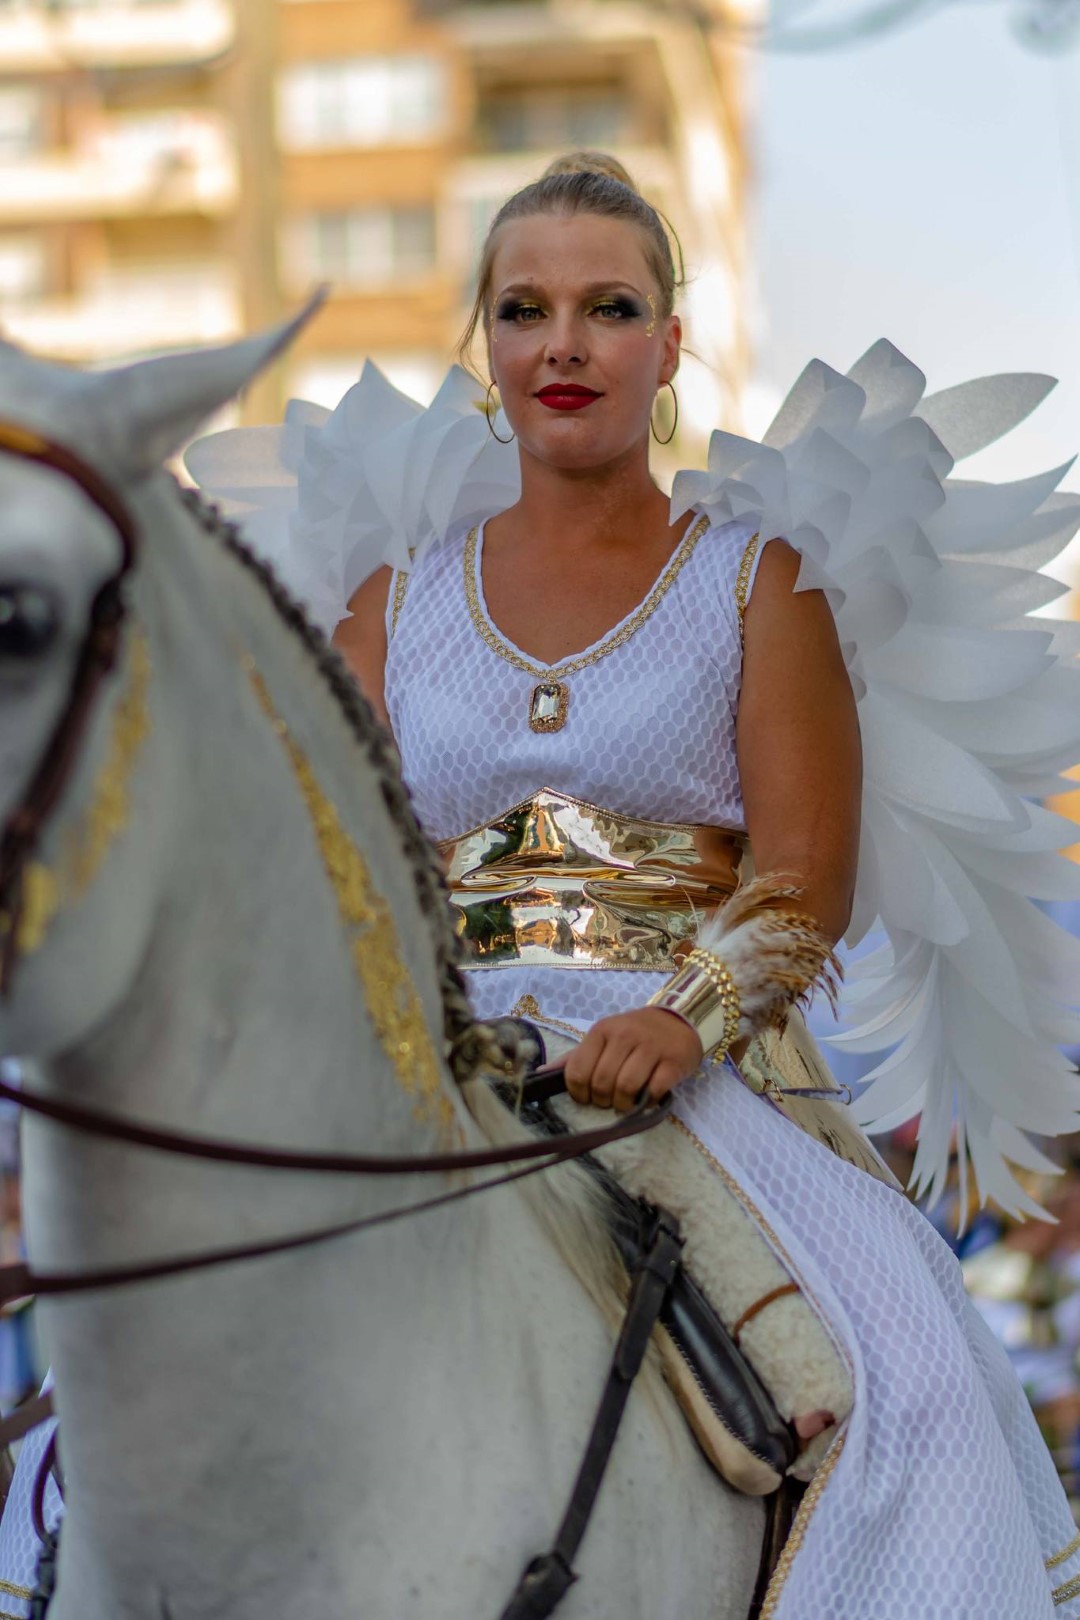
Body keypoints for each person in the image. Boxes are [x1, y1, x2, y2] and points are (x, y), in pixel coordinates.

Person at [318, 152, 1080, 1616]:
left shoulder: (756, 580)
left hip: (693, 1077)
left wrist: (682, 1021)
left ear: (669, 346)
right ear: (485, 345)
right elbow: (342, 881)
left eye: (608, 308)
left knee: (922, 1388)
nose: (564, 345)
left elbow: (803, 878)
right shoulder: (389, 597)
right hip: (439, 1064)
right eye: (525, 310)